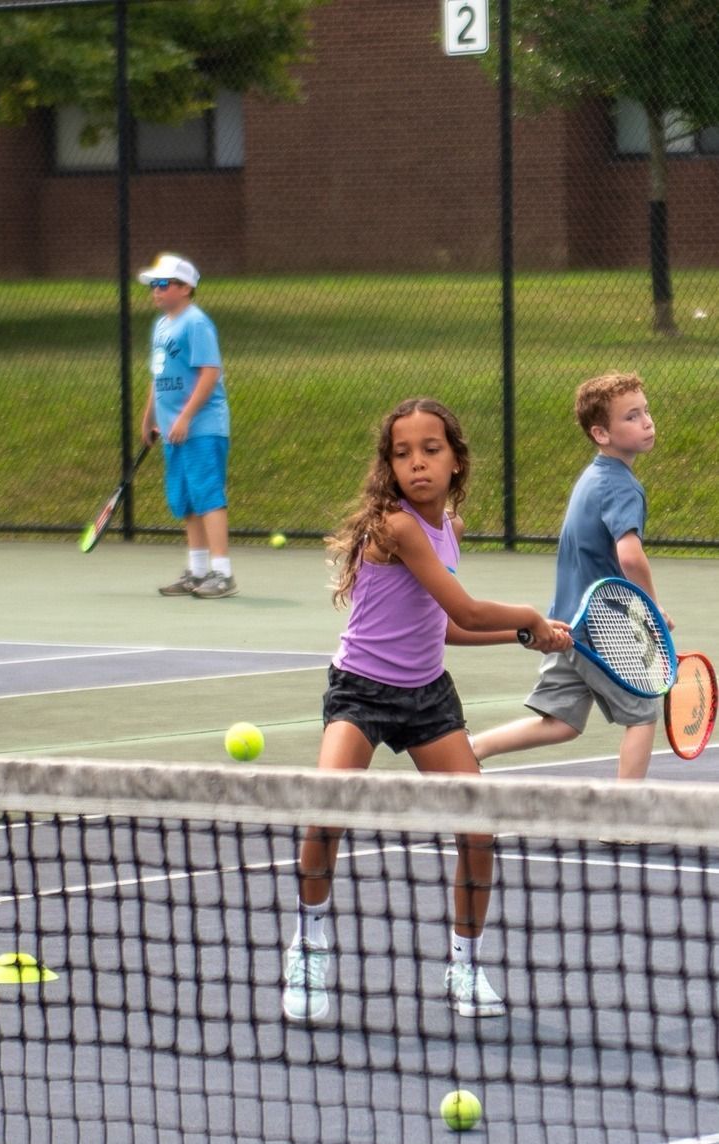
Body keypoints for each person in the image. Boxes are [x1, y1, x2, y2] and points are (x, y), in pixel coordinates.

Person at [282, 398, 570, 1025]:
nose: (417, 463)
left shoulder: (450, 529)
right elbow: (466, 611)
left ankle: (465, 964)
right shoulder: (398, 526)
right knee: (325, 809)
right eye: (402, 453)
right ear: (388, 465)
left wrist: (529, 635)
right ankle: (308, 946)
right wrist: (525, 616)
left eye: (431, 450)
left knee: (478, 829)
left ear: (456, 461)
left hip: (427, 696)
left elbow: (443, 629)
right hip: (360, 690)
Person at [471, 372, 670, 781]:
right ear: (601, 433)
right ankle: (622, 817)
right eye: (632, 416)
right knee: (643, 715)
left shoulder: (593, 476)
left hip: (563, 624)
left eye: (645, 411)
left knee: (563, 722)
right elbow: (630, 557)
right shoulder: (621, 487)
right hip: (602, 627)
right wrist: (651, 608)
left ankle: (472, 749)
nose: (647, 421)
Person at [138, 253, 235, 599]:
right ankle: (196, 571)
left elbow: (210, 372)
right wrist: (150, 418)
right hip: (172, 431)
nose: (155, 290)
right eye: (153, 285)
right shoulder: (162, 327)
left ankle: (222, 574)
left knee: (208, 496)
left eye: (162, 284)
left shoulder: (196, 324)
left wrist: (185, 417)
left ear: (185, 288)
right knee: (187, 500)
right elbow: (158, 376)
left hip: (202, 427)